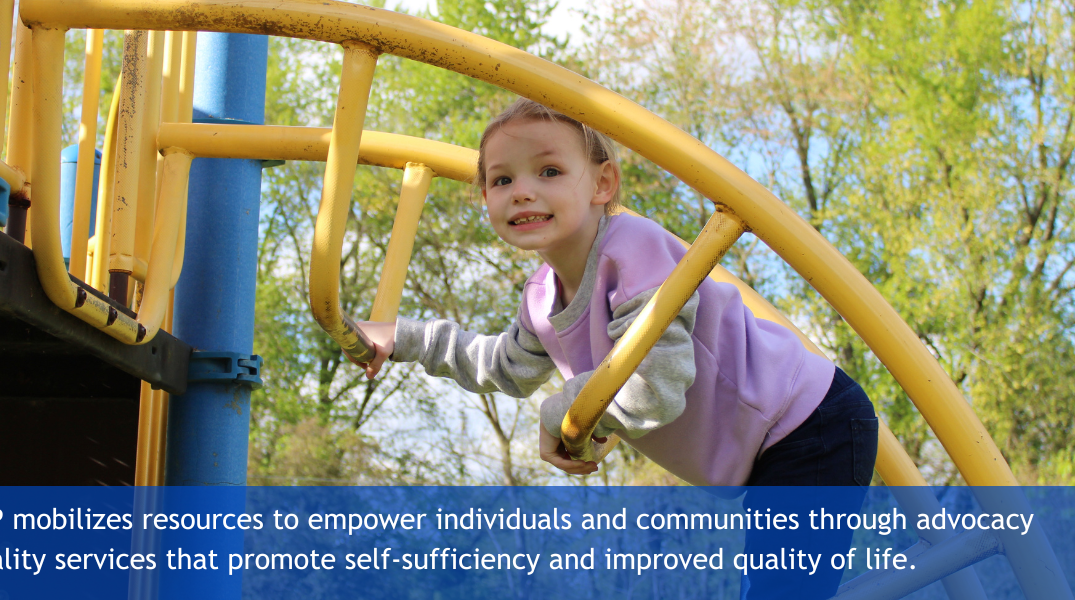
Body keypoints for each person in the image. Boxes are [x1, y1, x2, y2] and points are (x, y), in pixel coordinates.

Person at [353, 98, 878, 598]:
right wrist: (401, 338)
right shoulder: (541, 297)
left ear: (603, 183)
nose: (521, 191)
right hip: (762, 451)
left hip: (809, 424)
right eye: (502, 179)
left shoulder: (634, 249)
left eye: (549, 171)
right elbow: (502, 366)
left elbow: (655, 385)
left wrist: (565, 412)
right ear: (485, 198)